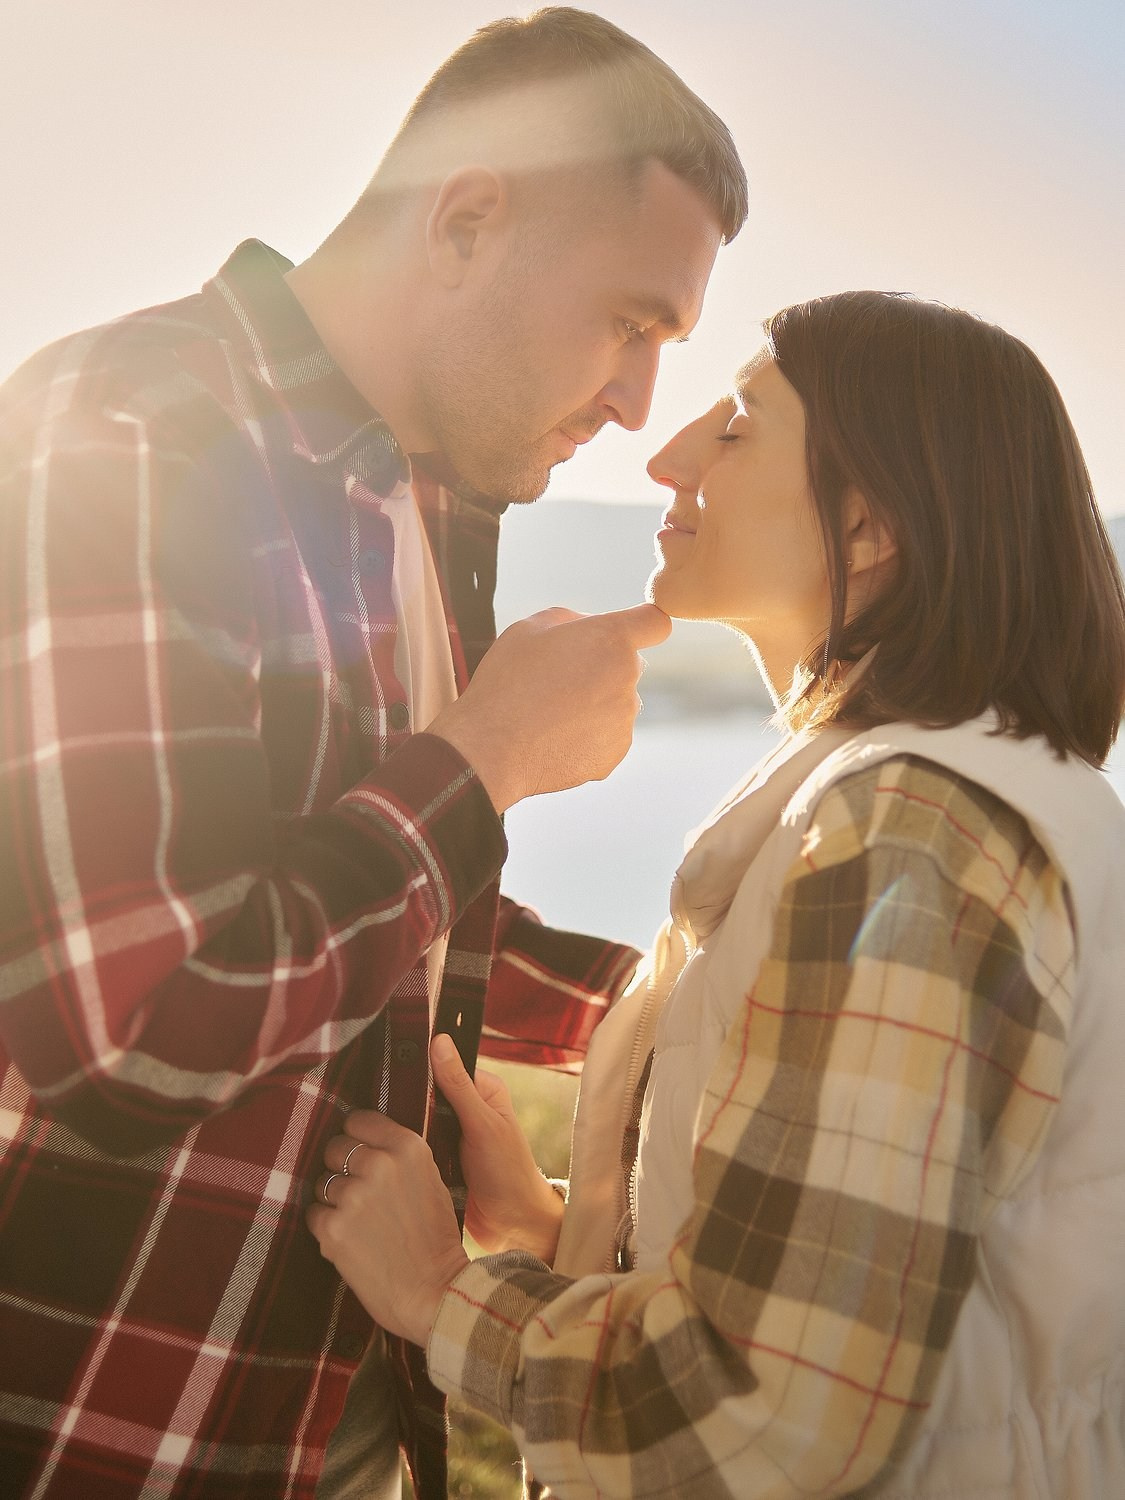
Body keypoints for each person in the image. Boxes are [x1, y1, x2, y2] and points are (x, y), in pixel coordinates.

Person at [0, 10, 748, 1498]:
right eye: (631, 324)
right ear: (466, 224)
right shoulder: (130, 429)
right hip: (109, 1429)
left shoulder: (428, 499)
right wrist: (485, 760)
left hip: (334, 1420)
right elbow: (132, 1027)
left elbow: (378, 915)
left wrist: (694, 1007)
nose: (637, 406)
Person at [309, 290, 1125, 1498]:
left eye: (736, 429)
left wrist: (442, 1293)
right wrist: (571, 1231)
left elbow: (766, 1414)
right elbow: (896, 1296)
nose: (667, 455)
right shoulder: (953, 803)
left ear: (869, 527)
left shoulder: (904, 837)